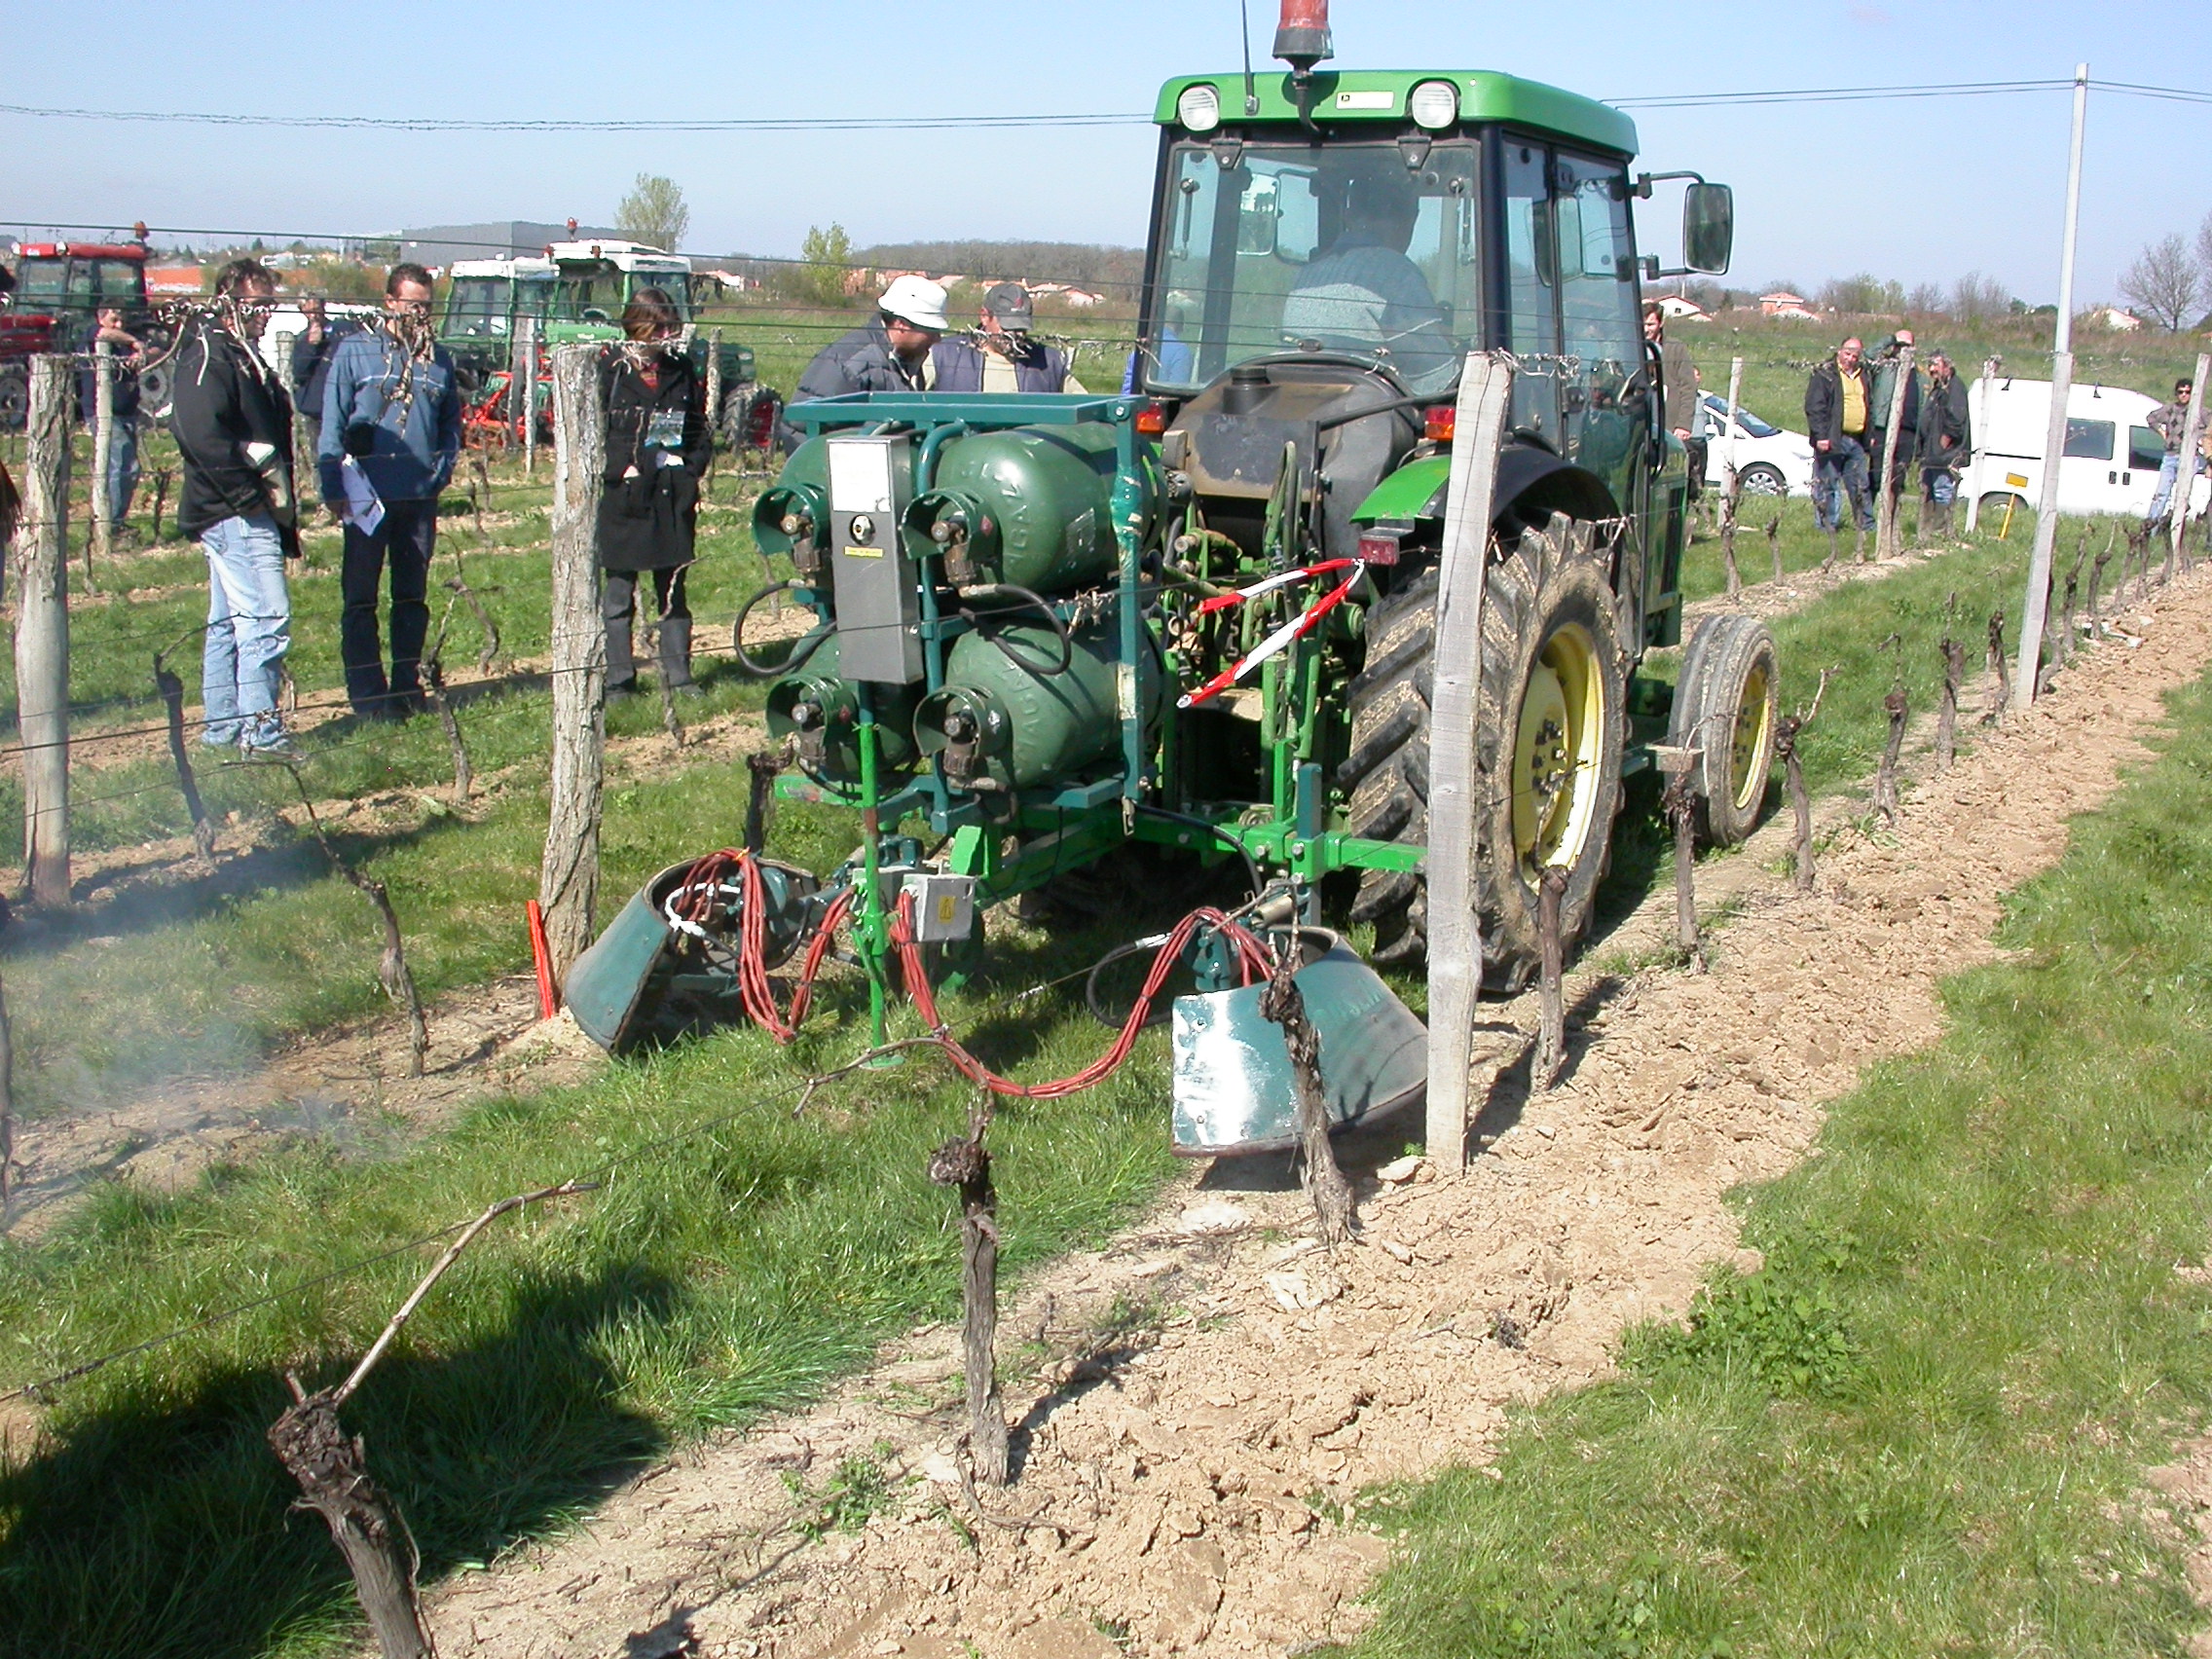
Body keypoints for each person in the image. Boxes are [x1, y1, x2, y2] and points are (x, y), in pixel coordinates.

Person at [318, 263, 461, 719]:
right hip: (366, 500)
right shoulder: (356, 353)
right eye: (412, 305)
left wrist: (440, 472)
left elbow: (450, 426)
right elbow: (332, 424)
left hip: (418, 500)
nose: (420, 314)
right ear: (389, 303)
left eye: (426, 306)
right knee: (360, 598)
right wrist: (331, 484)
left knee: (411, 597)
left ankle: (406, 690)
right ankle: (367, 696)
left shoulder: (438, 360)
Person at [170, 258, 299, 756]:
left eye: (268, 304)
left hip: (234, 510)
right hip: (235, 513)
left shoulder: (239, 353)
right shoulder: (210, 355)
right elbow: (199, 432)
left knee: (229, 624)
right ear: (229, 301)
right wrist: (248, 499)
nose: (265, 314)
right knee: (267, 619)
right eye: (256, 304)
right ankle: (261, 732)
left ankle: (223, 727)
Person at [597, 288, 709, 698]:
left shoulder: (680, 369)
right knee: (618, 595)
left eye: (670, 326)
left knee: (673, 590)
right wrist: (618, 469)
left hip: (670, 496)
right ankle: (619, 681)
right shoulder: (608, 370)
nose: (667, 334)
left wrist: (691, 469)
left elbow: (699, 426)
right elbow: (588, 430)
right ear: (637, 325)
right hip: (623, 499)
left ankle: (679, 677)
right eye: (658, 326)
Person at [1282, 163, 1453, 390]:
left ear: (1348, 214)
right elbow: (1437, 380)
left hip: (1302, 412)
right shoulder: (1396, 275)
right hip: (1366, 419)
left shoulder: (1307, 275)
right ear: (1411, 219)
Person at [781, 275, 948, 451]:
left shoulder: (907, 359)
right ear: (901, 325)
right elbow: (799, 426)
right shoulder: (849, 364)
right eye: (931, 330)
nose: (937, 339)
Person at [932, 282, 1088, 393]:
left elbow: (1084, 409)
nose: (1016, 335)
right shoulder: (944, 356)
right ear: (985, 316)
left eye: (1021, 327)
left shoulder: (1049, 363)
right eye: (1008, 327)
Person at [78, 304, 145, 535]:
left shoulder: (123, 345)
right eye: (114, 320)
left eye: (122, 321)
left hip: (127, 413)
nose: (119, 325)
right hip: (103, 414)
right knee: (122, 465)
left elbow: (157, 351)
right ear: (100, 319)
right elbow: (102, 334)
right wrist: (133, 342)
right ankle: (111, 525)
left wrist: (140, 354)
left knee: (128, 468)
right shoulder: (93, 337)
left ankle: (115, 521)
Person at [1805, 336, 1876, 535]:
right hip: (1832, 438)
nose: (1851, 359)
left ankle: (1866, 525)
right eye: (1847, 354)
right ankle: (1827, 525)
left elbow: (1869, 404)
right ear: (1839, 351)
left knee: (1860, 485)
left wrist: (1869, 433)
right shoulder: (1825, 374)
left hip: (1857, 439)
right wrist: (1821, 436)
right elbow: (1815, 407)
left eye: (1855, 355)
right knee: (1828, 485)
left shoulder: (1865, 374)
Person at [1644, 303, 1702, 498]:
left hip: (1668, 422)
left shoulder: (1675, 349)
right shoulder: (1632, 347)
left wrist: (1684, 424)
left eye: (1651, 324)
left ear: (1660, 324)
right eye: (1643, 324)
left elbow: (1688, 387)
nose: (1646, 329)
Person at [289, 296, 360, 453]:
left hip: (346, 404)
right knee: (323, 457)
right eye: (308, 311)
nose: (314, 315)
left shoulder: (344, 330)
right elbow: (299, 373)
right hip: (317, 410)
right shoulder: (302, 340)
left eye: (317, 309)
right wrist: (311, 346)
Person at [1917, 350, 1972, 540]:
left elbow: (1956, 421)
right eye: (1930, 365)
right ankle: (1927, 532)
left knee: (1942, 491)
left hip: (1944, 454)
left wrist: (1943, 444)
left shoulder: (1954, 388)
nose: (1931, 369)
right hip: (1932, 452)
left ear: (1947, 367)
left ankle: (1939, 533)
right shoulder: (1940, 387)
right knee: (1930, 490)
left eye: (1935, 365)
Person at [1866, 330, 1922, 508]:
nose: (1902, 349)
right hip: (1884, 428)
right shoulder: (1885, 366)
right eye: (1899, 345)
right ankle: (1867, 519)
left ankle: (1891, 517)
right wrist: (1891, 339)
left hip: (1907, 432)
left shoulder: (1920, 374)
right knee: (1876, 477)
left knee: (1898, 480)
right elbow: (1869, 354)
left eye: (1907, 346)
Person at [2146, 377, 2202, 526]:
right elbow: (2151, 418)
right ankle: (2151, 528)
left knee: (2182, 497)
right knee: (2161, 494)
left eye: (2187, 392)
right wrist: (2162, 433)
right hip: (2170, 456)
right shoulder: (2170, 409)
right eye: (2180, 392)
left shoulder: (2200, 412)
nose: (2184, 395)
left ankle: (2175, 528)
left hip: (2190, 458)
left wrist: (2202, 439)